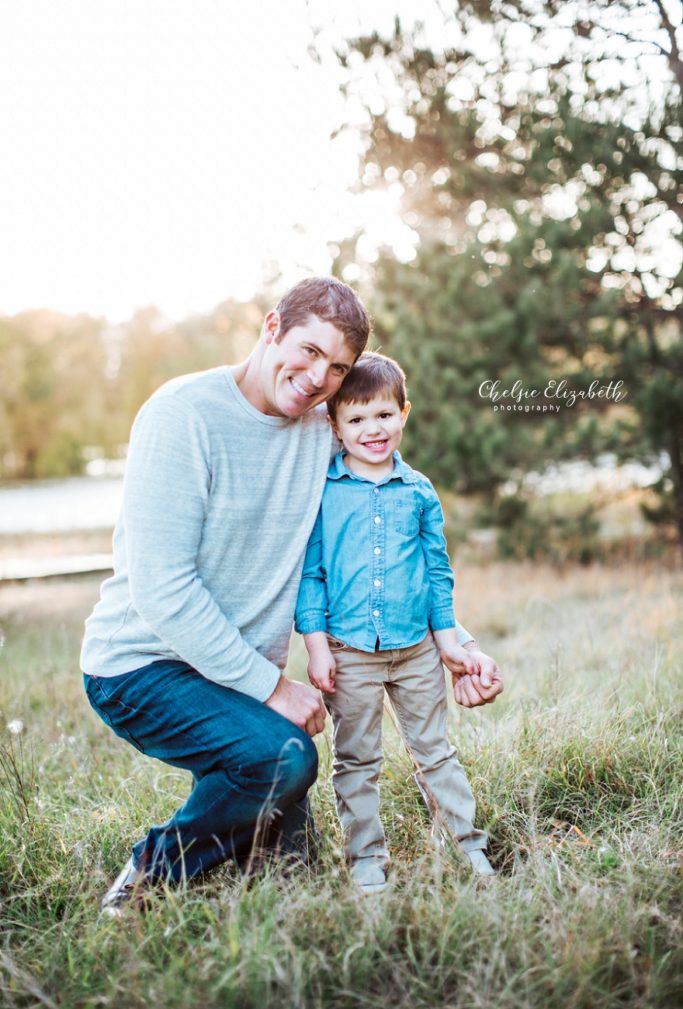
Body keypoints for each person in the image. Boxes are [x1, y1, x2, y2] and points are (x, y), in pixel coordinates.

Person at [81, 277, 371, 915]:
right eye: (309, 350)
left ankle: (243, 851)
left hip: (229, 669)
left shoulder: (322, 433)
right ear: (272, 327)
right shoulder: (182, 414)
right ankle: (145, 877)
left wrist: (444, 640)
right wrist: (273, 690)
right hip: (140, 663)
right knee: (282, 759)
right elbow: (163, 589)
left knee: (296, 876)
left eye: (338, 368)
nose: (319, 376)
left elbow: (385, 499)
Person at [294, 351, 503, 894]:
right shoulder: (322, 494)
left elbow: (438, 575)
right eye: (357, 419)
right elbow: (310, 575)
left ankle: (467, 847)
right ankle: (366, 860)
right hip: (349, 650)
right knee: (356, 760)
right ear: (335, 425)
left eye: (383, 415)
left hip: (416, 651)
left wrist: (451, 642)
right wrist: (317, 648)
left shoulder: (419, 492)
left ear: (404, 413)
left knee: (435, 751)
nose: (372, 429)